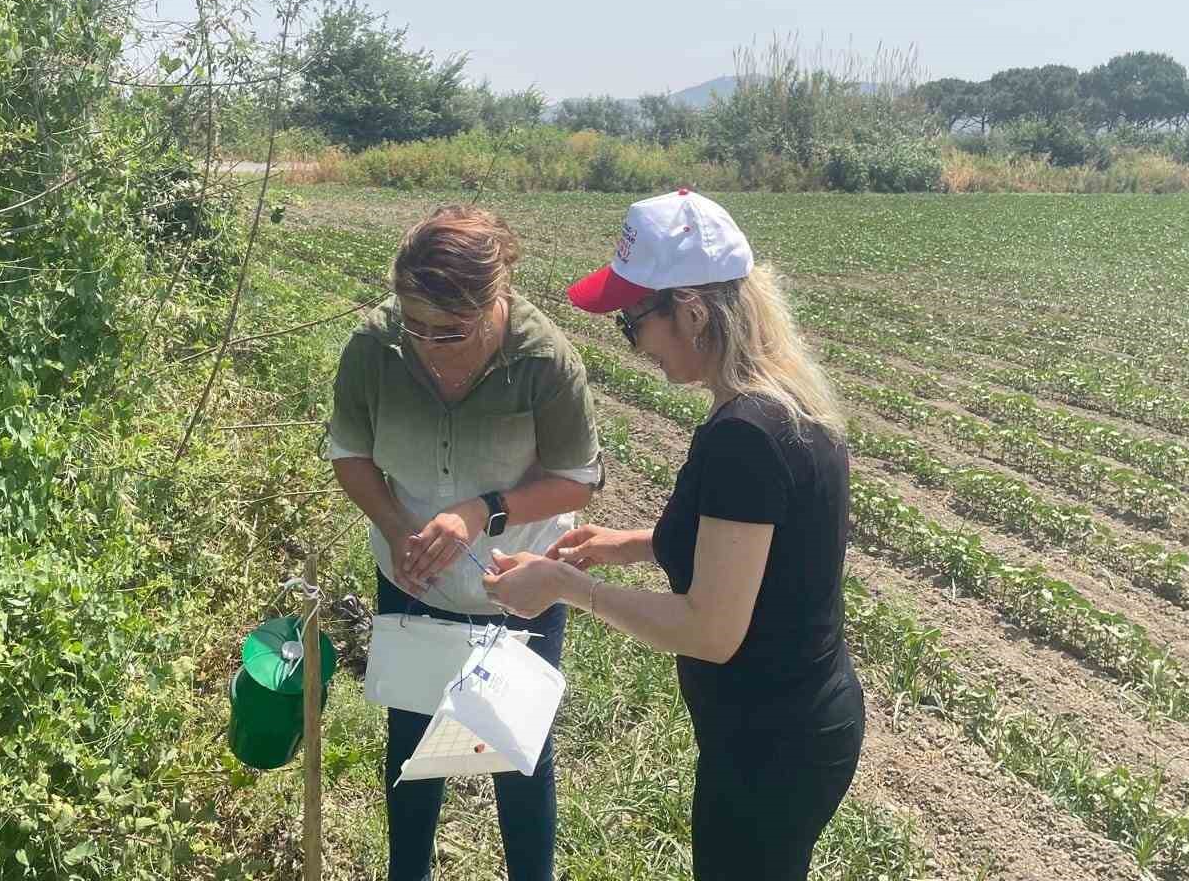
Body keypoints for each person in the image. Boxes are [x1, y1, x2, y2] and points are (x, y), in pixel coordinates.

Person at [482, 188, 863, 881]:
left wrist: (568, 585)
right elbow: (756, 550)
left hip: (769, 746)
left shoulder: (744, 438)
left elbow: (711, 628)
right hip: (793, 725)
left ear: (690, 311)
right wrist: (629, 544)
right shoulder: (781, 402)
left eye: (632, 323)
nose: (634, 346)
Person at [327, 204, 602, 881]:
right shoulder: (375, 348)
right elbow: (349, 455)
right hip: (413, 575)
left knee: (517, 751)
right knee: (412, 745)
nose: (423, 342)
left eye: (448, 332)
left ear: (494, 302)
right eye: (411, 320)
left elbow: (577, 482)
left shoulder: (544, 362)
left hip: (519, 584)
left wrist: (484, 511)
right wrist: (398, 532)